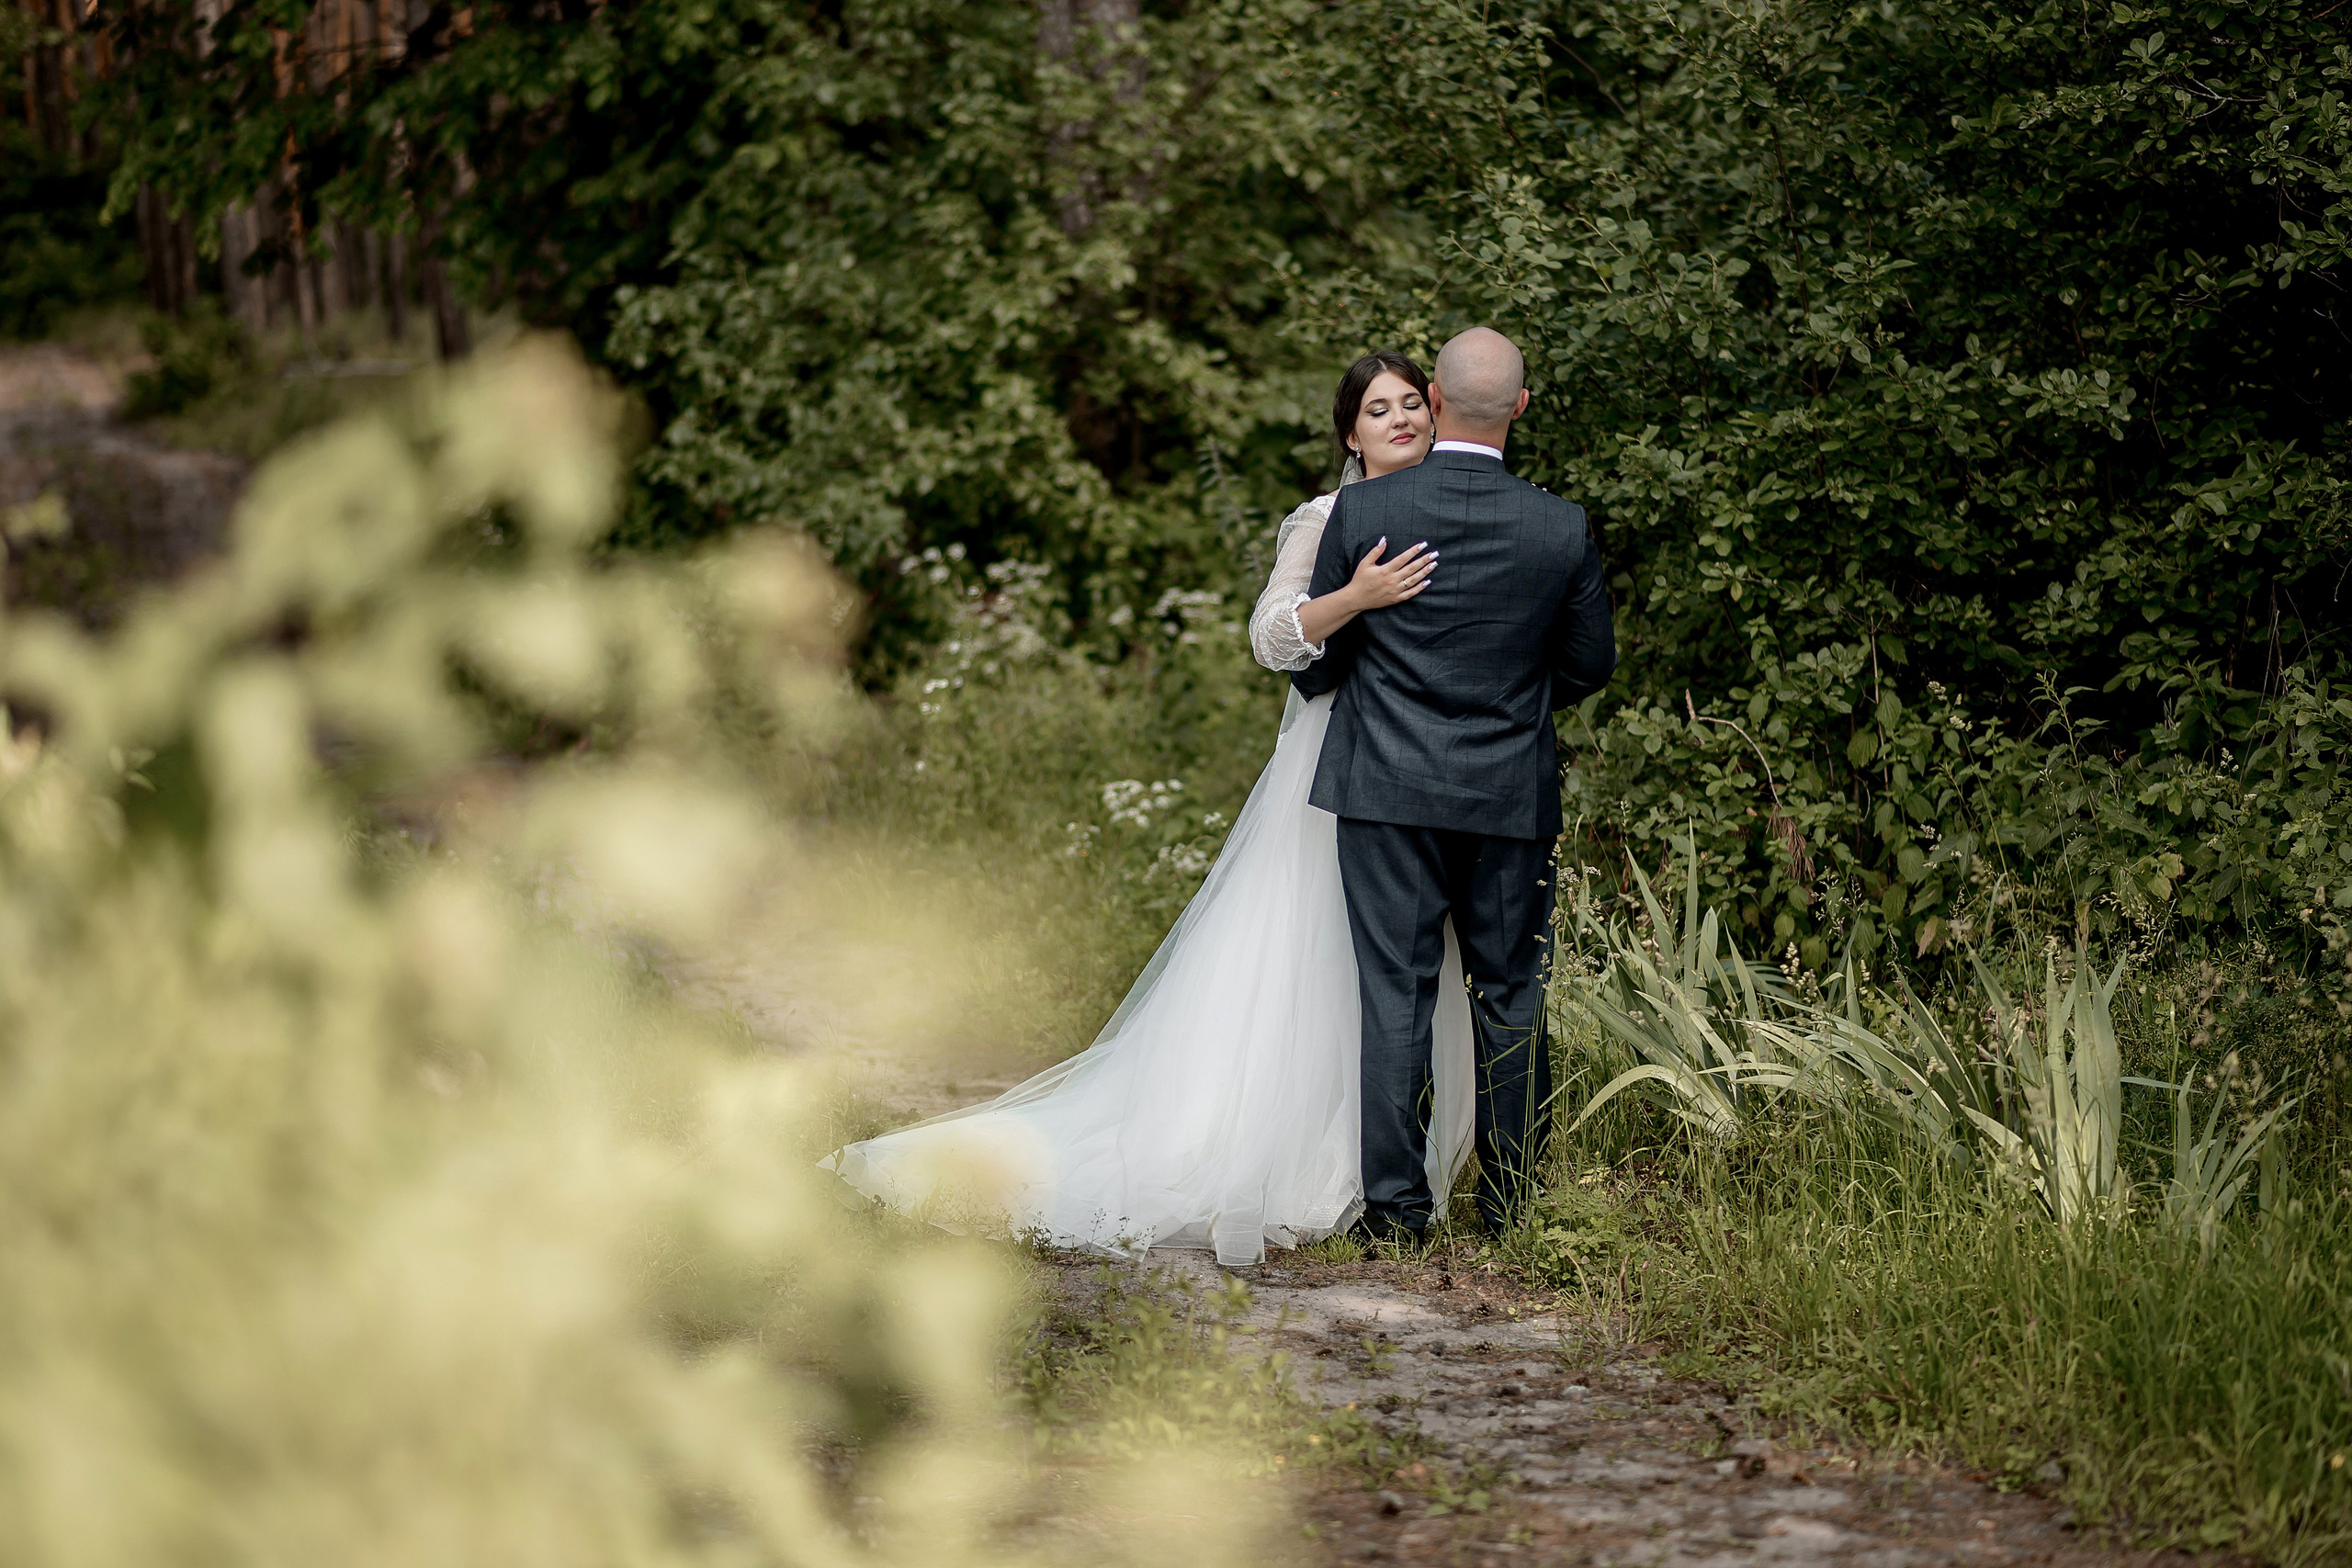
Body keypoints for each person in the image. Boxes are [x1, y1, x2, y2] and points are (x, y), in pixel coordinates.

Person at [822, 351, 1487, 1265]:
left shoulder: (1466, 513)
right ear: (1350, 434)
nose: (1401, 419)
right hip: (1334, 766)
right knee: (1313, 956)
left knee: (1398, 968)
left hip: (1428, 776)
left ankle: (1380, 1162)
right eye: (1380, 409)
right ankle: (1290, 1155)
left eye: (1413, 403)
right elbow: (1269, 635)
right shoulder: (1326, 518)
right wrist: (1356, 596)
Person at [1294, 327, 1617, 1246]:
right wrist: (1515, 705)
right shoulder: (1560, 526)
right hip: (1508, 795)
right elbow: (1591, 665)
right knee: (1511, 991)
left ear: (1433, 399)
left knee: (1392, 992)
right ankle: (1511, 1211)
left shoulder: (1364, 515)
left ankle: (1395, 1215)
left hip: (1385, 790)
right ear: (1520, 406)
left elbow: (1315, 672)